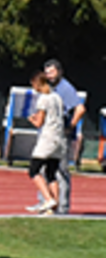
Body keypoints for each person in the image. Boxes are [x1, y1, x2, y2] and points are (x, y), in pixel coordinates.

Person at [43, 59, 85, 214]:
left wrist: (70, 127)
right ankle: (47, 203)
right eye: (47, 73)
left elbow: (80, 109)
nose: (49, 75)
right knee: (44, 169)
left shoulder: (65, 88)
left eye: (52, 72)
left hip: (60, 136)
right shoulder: (48, 88)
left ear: (60, 72)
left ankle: (62, 207)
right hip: (48, 134)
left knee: (60, 170)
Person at [26, 70, 66, 215]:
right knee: (51, 172)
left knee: (34, 170)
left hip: (48, 137)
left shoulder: (44, 99)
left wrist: (32, 119)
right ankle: (54, 206)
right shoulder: (57, 97)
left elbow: (39, 123)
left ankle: (48, 199)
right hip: (59, 138)